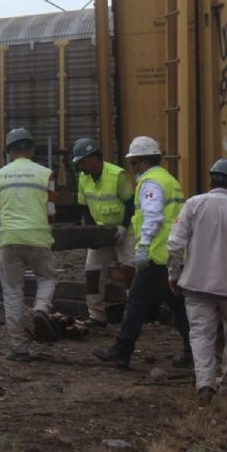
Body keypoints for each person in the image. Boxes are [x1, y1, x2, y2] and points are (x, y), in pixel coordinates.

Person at [167, 159, 227, 406]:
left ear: (211, 180)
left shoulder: (193, 205)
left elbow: (175, 244)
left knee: (201, 334)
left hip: (196, 284)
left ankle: (205, 384)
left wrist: (174, 274)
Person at [92, 136, 191, 368]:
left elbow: (153, 216)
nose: (132, 168)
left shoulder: (151, 182)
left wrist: (144, 245)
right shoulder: (169, 179)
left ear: (143, 162)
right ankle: (193, 352)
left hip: (157, 255)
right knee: (179, 305)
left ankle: (122, 350)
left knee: (136, 302)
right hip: (174, 253)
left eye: (133, 163)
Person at [0, 128, 58, 361]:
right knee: (47, 277)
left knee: (12, 291)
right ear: (31, 149)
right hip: (38, 237)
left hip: (9, 238)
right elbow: (51, 212)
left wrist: (8, 231)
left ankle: (19, 348)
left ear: (9, 151)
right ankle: (41, 309)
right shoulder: (46, 174)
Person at [71, 138, 135, 327]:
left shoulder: (117, 175)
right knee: (92, 272)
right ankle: (96, 315)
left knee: (129, 269)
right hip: (101, 230)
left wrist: (124, 225)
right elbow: (84, 207)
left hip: (125, 230)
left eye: (82, 162)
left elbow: (130, 204)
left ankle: (134, 315)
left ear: (93, 158)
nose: (81, 167)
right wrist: (92, 232)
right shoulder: (84, 178)